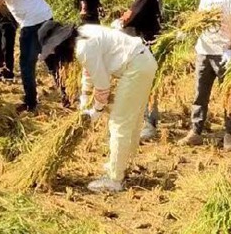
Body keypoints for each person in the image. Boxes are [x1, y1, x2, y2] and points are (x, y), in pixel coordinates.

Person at [38, 20, 157, 193]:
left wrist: (96, 110)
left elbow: (102, 86)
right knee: (133, 119)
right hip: (143, 62)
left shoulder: (83, 48)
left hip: (136, 67)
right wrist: (85, 98)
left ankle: (115, 180)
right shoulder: (84, 33)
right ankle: (123, 165)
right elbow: (90, 70)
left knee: (119, 123)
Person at [178, 0, 231, 151]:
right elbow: (200, 18)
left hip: (223, 52)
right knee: (200, 93)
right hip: (204, 50)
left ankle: (229, 134)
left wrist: (230, 48)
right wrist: (186, 30)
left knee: (228, 94)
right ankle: (195, 131)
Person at [114, 0, 163, 139]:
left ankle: (149, 124)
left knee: (145, 83)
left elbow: (134, 14)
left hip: (144, 43)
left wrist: (121, 22)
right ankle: (144, 120)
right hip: (147, 41)